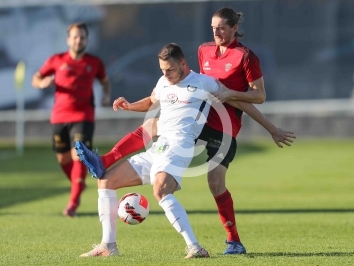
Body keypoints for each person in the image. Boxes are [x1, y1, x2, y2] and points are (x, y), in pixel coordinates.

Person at [76, 7, 296, 254]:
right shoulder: (201, 53)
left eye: (222, 27)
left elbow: (255, 97)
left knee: (212, 183)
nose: (216, 32)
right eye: (213, 27)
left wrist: (269, 127)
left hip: (221, 129)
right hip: (188, 129)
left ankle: (230, 241)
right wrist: (129, 105)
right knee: (145, 135)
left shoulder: (243, 59)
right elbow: (156, 98)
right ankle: (108, 243)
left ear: (235, 28)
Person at [75, 43, 242, 258]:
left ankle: (195, 247)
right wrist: (130, 105)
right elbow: (152, 101)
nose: (166, 74)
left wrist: (263, 115)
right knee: (105, 181)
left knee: (161, 189)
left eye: (170, 69)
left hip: (179, 147)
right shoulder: (163, 81)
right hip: (159, 146)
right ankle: (108, 246)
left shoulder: (203, 82)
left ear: (183, 63)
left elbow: (231, 96)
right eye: (162, 70)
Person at [31, 22, 111, 217]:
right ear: (68, 40)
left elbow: (104, 81)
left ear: (87, 40)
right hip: (59, 116)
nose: (78, 40)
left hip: (84, 115)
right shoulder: (56, 60)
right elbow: (36, 78)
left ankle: (72, 204)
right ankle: (79, 183)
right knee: (63, 158)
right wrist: (42, 83)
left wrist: (106, 95)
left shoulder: (95, 62)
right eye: (75, 37)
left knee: (79, 155)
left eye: (82, 37)